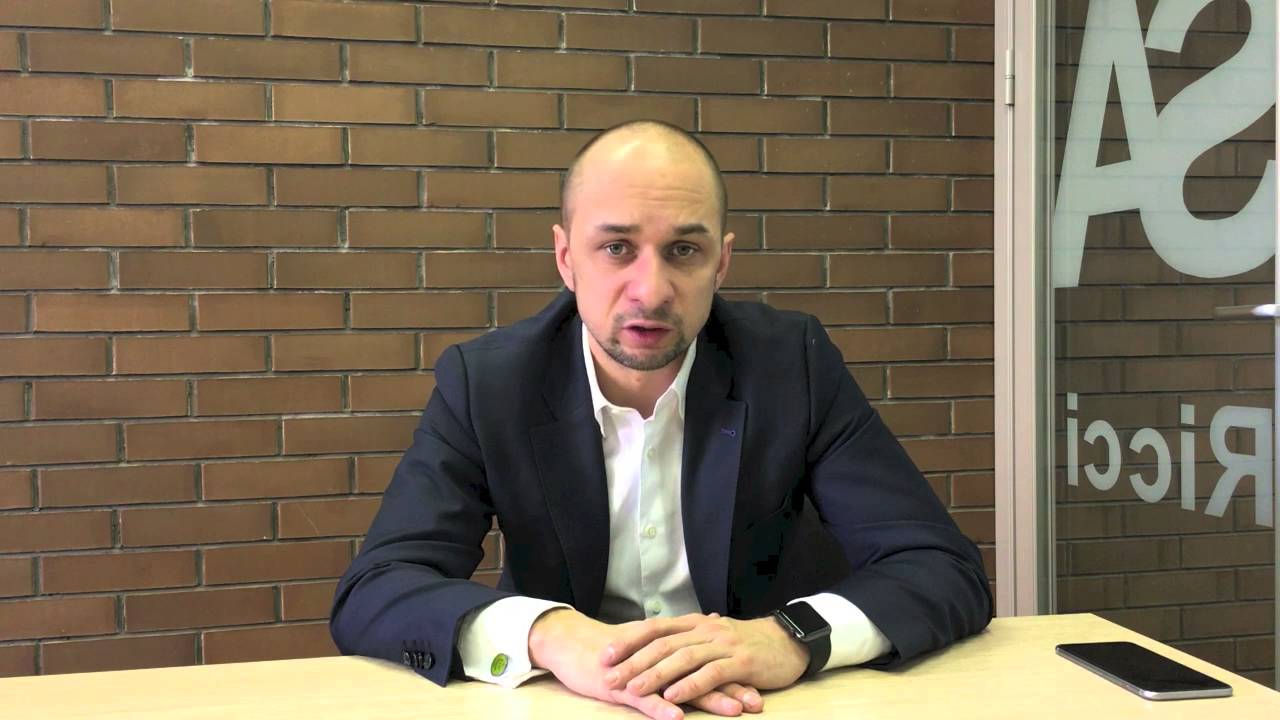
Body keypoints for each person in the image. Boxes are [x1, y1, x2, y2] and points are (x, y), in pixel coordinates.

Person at [330, 120, 992, 720]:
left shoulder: (792, 364)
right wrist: (551, 635)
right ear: (566, 258)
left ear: (721, 263)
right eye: (617, 248)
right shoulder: (488, 384)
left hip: (765, 706)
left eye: (683, 251)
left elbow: (940, 567)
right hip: (571, 704)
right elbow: (377, 588)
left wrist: (793, 637)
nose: (650, 291)